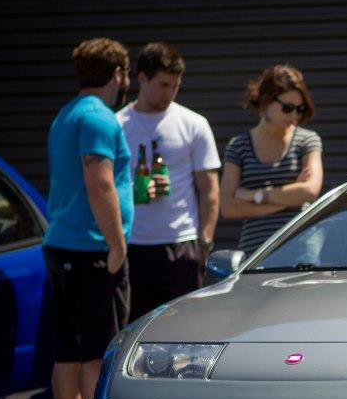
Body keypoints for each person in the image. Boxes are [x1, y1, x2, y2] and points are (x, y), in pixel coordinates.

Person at [43, 38, 134, 399]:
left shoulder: (66, 113)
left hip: (62, 246)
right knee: (99, 354)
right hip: (91, 249)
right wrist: (116, 243)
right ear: (118, 73)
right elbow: (99, 182)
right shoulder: (99, 117)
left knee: (68, 352)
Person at [117, 42, 221, 320]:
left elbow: (209, 188)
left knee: (185, 325)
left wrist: (205, 242)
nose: (170, 93)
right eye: (163, 85)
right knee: (135, 326)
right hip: (133, 243)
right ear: (142, 78)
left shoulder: (193, 123)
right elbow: (105, 185)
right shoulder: (119, 124)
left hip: (181, 242)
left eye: (175, 86)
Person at [219, 65, 323, 254]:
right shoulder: (238, 145)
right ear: (265, 101)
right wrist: (288, 199)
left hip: (300, 248)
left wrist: (255, 196)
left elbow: (310, 191)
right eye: (287, 108)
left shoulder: (307, 140)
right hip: (256, 253)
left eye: (299, 109)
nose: (294, 116)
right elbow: (228, 208)